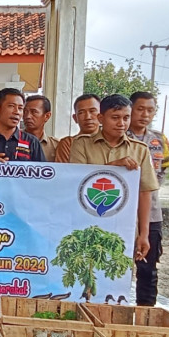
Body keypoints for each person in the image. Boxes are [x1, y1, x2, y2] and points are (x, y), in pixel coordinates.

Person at [69, 94, 159, 262]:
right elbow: (78, 181)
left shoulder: (140, 150)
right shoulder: (81, 144)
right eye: (115, 118)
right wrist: (114, 167)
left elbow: (145, 193)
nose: (121, 123)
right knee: (88, 276)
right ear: (101, 118)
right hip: (88, 224)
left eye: (126, 118)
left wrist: (144, 234)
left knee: (118, 274)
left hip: (125, 227)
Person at [127, 91, 169, 306]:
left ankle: (146, 310)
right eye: (140, 109)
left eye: (150, 110)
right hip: (121, 210)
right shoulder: (120, 134)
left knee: (148, 266)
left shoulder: (159, 140)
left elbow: (161, 172)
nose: (145, 114)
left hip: (152, 213)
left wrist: (147, 188)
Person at [55, 93, 101, 163]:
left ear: (101, 116)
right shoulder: (68, 144)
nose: (88, 117)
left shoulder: (113, 142)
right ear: (75, 118)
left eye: (92, 111)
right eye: (81, 113)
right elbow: (63, 171)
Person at [23, 95, 59, 162]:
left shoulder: (56, 146)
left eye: (34, 112)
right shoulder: (13, 141)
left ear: (47, 116)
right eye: (25, 112)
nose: (27, 116)